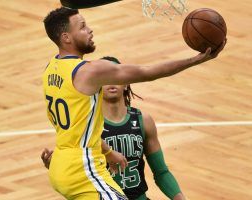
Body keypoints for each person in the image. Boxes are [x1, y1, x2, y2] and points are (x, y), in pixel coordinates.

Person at [42, 7, 225, 200]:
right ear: (66, 38)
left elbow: (75, 129)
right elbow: (147, 72)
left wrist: (108, 152)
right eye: (82, 26)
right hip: (83, 169)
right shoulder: (88, 72)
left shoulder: (50, 70)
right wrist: (196, 60)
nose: (90, 30)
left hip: (61, 164)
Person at [42, 56, 186, 200]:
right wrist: (56, 164)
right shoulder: (85, 125)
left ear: (126, 83)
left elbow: (161, 172)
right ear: (97, 85)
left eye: (115, 77)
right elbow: (75, 167)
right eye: (106, 78)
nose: (111, 82)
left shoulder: (143, 121)